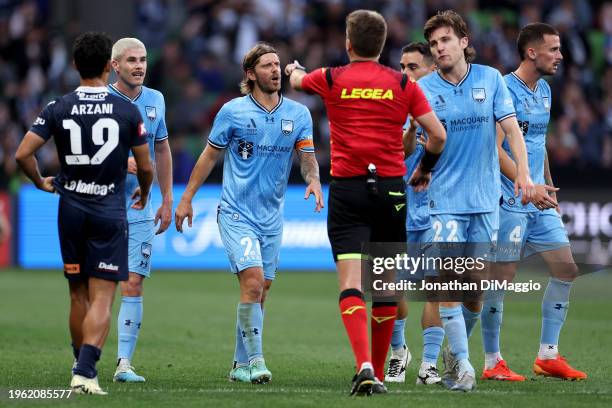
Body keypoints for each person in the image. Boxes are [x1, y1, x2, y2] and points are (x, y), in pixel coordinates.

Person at [286, 10, 446, 396]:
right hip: (392, 191)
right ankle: (374, 369)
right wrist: (423, 168)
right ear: (383, 44)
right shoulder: (402, 84)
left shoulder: (331, 77)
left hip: (348, 190)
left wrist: (294, 69)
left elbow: (295, 81)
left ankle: (366, 367)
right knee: (387, 285)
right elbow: (437, 136)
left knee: (352, 284)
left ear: (348, 43)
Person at [175, 42, 323, 385]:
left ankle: (239, 365)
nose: (275, 70)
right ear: (251, 74)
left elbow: (307, 157)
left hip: (272, 216)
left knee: (262, 290)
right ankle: (257, 362)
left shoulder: (298, 115)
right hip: (236, 212)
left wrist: (313, 180)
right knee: (253, 282)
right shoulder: (233, 112)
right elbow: (209, 157)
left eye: (278, 64)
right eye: (268, 65)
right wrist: (186, 199)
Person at [15, 32, 153, 395]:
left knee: (77, 295)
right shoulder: (126, 109)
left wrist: (39, 182)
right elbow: (146, 165)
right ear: (110, 65)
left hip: (70, 209)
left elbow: (21, 155)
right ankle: (86, 370)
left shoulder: (57, 106)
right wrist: (147, 190)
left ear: (74, 65)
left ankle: (79, 363)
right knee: (104, 297)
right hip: (109, 211)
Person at [418, 10, 534, 391]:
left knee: (474, 293)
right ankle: (465, 365)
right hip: (445, 200)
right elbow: (420, 140)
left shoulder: (490, 80)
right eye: (434, 43)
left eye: (446, 40)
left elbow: (512, 132)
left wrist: (525, 175)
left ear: (464, 41)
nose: (439, 48)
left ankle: (454, 354)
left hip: (486, 200)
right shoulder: (425, 89)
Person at [480, 22, 586, 381]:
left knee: (566, 269)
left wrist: (548, 186)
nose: (560, 55)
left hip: (540, 200)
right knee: (501, 279)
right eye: (554, 49)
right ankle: (492, 360)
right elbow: (495, 150)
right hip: (509, 201)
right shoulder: (503, 90)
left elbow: (537, 145)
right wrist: (526, 185)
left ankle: (547, 355)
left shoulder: (544, 91)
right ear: (532, 52)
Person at [107, 37, 173, 383]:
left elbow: (161, 150)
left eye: (143, 59)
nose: (139, 66)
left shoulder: (155, 100)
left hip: (140, 207)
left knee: (133, 283)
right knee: (98, 287)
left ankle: (123, 363)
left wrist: (167, 199)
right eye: (131, 60)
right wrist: (122, 161)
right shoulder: (101, 100)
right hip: (101, 205)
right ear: (115, 65)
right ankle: (84, 360)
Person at [384, 42, 445, 386]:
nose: (404, 73)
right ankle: (398, 352)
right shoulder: (395, 105)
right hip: (400, 212)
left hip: (438, 212)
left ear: (432, 69)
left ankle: (429, 365)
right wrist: (409, 126)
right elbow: (400, 149)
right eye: (402, 67)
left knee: (436, 289)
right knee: (391, 290)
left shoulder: (446, 105)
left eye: (412, 67)